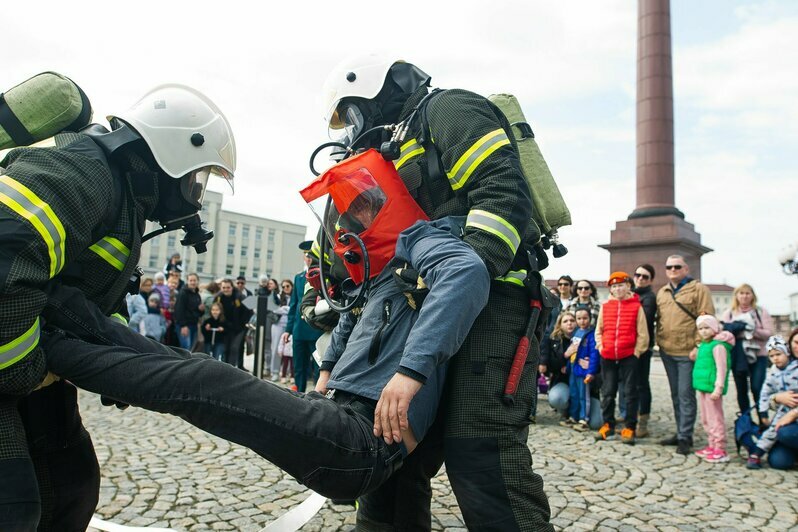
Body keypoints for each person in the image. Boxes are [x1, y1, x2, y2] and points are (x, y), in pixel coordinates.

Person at [40, 216, 489, 505]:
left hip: (363, 444)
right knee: (179, 361)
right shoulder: (384, 270)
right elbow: (354, 316)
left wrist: (410, 374)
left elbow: (465, 272)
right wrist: (325, 378)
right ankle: (51, 303)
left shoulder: (425, 240)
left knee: (204, 378)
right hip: (339, 416)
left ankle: (49, 351)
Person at [320, 55, 550, 530]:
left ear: (375, 93)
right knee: (394, 459)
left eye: (352, 117)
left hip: (493, 309)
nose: (350, 134)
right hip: (423, 312)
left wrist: (458, 284)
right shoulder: (392, 150)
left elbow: (504, 197)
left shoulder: (449, 111)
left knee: (481, 457)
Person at [0, 82, 236, 531]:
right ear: (170, 155)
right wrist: (27, 369)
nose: (195, 194)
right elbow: (8, 251)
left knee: (69, 482)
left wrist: (113, 355)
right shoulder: (83, 171)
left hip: (29, 370)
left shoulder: (123, 200)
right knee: (12, 503)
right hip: (12, 365)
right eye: (195, 180)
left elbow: (84, 294)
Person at [656, 255, 715, 455]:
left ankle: (685, 437)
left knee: (685, 395)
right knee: (675, 394)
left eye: (677, 266)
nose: (672, 269)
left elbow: (707, 319)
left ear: (686, 269)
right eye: (669, 266)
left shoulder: (699, 289)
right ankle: (680, 431)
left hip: (688, 351)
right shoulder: (663, 292)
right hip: (667, 350)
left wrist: (699, 345)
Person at [594, 272, 648, 445]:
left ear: (628, 286)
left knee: (630, 392)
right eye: (614, 286)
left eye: (621, 285)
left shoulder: (636, 306)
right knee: (608, 392)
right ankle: (607, 425)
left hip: (629, 355)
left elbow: (642, 333)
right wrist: (601, 346)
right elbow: (599, 330)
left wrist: (637, 352)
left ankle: (630, 427)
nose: (618, 289)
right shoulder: (605, 306)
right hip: (608, 355)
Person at [720, 284, 773, 421]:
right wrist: (737, 330)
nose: (744, 296)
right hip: (738, 356)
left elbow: (768, 333)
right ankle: (746, 419)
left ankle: (763, 417)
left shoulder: (761, 312)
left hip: (758, 355)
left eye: (747, 293)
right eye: (741, 293)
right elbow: (723, 333)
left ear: (753, 295)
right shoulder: (729, 313)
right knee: (741, 390)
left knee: (757, 387)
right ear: (736, 296)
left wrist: (752, 331)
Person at [746, 336, 798, 469]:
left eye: (778, 354)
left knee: (785, 433)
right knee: (774, 431)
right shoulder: (773, 373)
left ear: (786, 352)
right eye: (772, 356)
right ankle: (756, 454)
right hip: (783, 411)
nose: (775, 358)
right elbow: (765, 393)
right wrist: (765, 410)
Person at [690, 315, 734, 463]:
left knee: (716, 418)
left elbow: (722, 368)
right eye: (700, 329)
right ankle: (711, 444)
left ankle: (720, 447)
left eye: (706, 327)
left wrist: (718, 387)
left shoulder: (718, 346)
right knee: (706, 418)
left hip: (712, 388)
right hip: (703, 386)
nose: (703, 331)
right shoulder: (703, 345)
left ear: (714, 328)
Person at [282, 243, 322, 392]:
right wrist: (288, 330)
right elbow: (294, 305)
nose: (308, 258)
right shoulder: (299, 277)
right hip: (299, 329)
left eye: (311, 255)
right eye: (306, 255)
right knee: (299, 366)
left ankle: (318, 396)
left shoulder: (323, 274)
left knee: (318, 365)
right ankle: (299, 394)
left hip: (316, 328)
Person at [565, 308, 600, 431]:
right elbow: (571, 351)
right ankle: (574, 416)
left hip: (584, 371)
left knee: (583, 395)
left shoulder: (591, 334)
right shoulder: (576, 332)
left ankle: (583, 418)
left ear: (590, 319)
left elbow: (594, 354)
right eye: (579, 318)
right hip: (574, 369)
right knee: (574, 394)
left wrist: (591, 371)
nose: (582, 321)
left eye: (585, 318)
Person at [632, 264, 656, 437]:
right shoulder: (630, 294)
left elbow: (644, 319)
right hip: (627, 346)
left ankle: (643, 422)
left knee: (641, 384)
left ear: (650, 280)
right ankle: (630, 417)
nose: (640, 278)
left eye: (645, 277)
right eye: (638, 275)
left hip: (642, 347)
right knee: (629, 384)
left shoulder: (649, 297)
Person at [213, 279, 251, 369]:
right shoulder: (218, 297)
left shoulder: (240, 297)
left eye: (228, 287)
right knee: (225, 349)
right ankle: (225, 368)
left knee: (234, 348)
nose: (226, 289)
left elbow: (248, 311)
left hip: (239, 328)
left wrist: (243, 324)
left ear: (232, 287)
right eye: (224, 287)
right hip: (225, 327)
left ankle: (231, 369)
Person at [174, 272, 204, 351]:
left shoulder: (197, 294)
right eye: (191, 280)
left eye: (194, 280)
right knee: (185, 350)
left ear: (198, 281)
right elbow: (179, 310)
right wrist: (183, 326)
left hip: (193, 324)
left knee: (190, 349)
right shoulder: (183, 293)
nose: (193, 282)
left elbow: (197, 312)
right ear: (187, 281)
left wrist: (201, 310)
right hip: (184, 325)